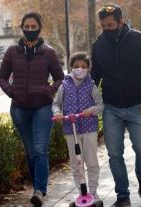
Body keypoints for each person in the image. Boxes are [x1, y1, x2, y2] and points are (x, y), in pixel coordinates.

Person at [91, 4, 141, 207]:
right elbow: (95, 77)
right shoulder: (99, 45)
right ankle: (123, 197)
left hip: (138, 106)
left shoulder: (139, 40)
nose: (106, 29)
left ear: (121, 22)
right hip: (111, 107)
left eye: (110, 25)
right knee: (114, 154)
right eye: (103, 26)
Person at [0, 12, 64, 206]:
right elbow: (2, 76)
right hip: (19, 109)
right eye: (27, 26)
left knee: (40, 150)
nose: (30, 30)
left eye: (34, 27)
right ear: (22, 27)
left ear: (40, 29)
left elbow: (60, 78)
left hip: (42, 107)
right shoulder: (12, 52)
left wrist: (48, 91)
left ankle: (39, 191)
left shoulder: (48, 52)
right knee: (30, 152)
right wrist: (11, 92)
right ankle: (37, 188)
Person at [52, 52, 103, 202]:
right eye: (76, 66)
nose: (79, 69)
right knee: (76, 163)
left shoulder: (91, 85)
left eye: (83, 67)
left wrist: (91, 111)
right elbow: (56, 104)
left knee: (91, 161)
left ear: (88, 68)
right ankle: (82, 192)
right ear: (70, 68)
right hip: (70, 129)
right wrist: (58, 113)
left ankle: (93, 192)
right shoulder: (64, 85)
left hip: (89, 129)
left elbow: (101, 105)